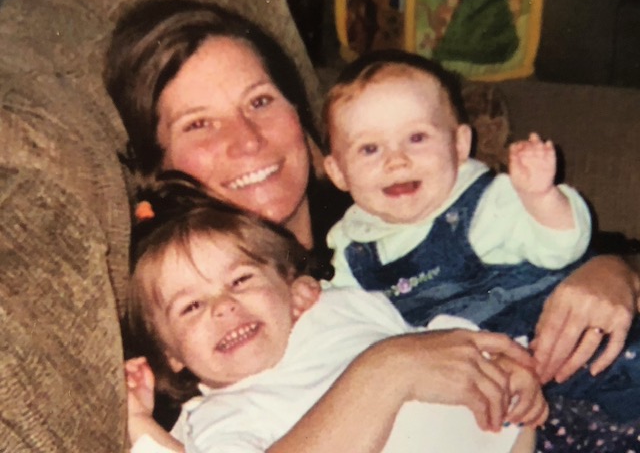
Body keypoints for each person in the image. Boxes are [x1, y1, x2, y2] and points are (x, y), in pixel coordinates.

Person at [103, 0, 640, 448]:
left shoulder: (386, 201)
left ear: (303, 118)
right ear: (160, 165)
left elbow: (551, 236)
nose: (246, 139)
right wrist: (388, 369)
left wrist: (613, 273)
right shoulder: (184, 319)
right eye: (199, 124)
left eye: (260, 101)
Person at [321, 49, 640, 422]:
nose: (396, 160)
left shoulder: (488, 203)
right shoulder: (353, 248)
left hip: (593, 353)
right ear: (338, 171)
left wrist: (540, 197)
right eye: (370, 148)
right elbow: (345, 319)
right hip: (509, 397)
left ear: (459, 145)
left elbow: (563, 246)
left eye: (417, 138)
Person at [124, 175, 546, 452]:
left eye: (241, 280)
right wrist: (141, 428)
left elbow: (446, 340)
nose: (225, 307)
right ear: (169, 354)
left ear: (290, 286)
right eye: (192, 306)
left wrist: (513, 367)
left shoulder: (340, 305)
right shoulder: (222, 416)